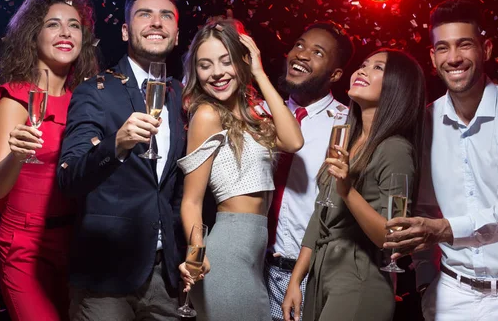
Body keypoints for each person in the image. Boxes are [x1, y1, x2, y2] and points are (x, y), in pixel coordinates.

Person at [384, 0, 498, 320]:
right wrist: (425, 280)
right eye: (443, 48)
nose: (454, 58)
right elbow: (424, 208)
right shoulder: (426, 121)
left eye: (465, 45)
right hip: (450, 293)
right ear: (433, 57)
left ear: (486, 49)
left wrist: (441, 230)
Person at [57, 0, 185, 320]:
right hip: (105, 277)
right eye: (145, 15)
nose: (157, 22)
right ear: (127, 32)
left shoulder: (183, 96)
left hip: (167, 277)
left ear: (176, 31)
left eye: (166, 16)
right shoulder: (95, 91)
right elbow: (68, 178)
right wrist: (118, 143)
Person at [0, 0, 98, 321]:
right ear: (33, 36)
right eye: (52, 24)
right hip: (24, 246)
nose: (65, 32)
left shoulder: (87, 100)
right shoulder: (16, 100)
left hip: (76, 242)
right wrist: (16, 155)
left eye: (73, 25)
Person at [283, 48, 427, 321]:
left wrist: (347, 190)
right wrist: (296, 280)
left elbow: (390, 238)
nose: (362, 70)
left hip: (359, 277)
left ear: (398, 86)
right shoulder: (345, 140)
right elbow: (319, 216)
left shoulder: (395, 149)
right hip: (322, 273)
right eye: (363, 64)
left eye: (378, 68)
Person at [177, 19, 304, 321]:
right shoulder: (207, 114)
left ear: (242, 61)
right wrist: (197, 257)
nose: (217, 73)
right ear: (196, 72)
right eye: (205, 65)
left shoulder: (254, 113)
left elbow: (294, 140)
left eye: (226, 61)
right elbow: (191, 201)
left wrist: (258, 72)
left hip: (253, 253)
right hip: (225, 252)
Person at [265, 21, 354, 321]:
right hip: (254, 268)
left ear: (336, 74)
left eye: (317, 52)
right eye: (299, 45)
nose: (302, 55)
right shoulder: (262, 114)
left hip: (309, 276)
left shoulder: (347, 126)